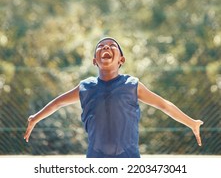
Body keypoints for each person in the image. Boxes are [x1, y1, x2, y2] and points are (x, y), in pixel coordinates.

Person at [24, 37, 204, 158]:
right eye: (101, 47)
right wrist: (35, 118)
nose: (106, 47)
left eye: (112, 46)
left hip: (129, 159)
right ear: (95, 60)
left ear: (121, 60)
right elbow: (58, 103)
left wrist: (191, 123)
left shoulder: (132, 85)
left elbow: (164, 105)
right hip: (96, 160)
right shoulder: (86, 87)